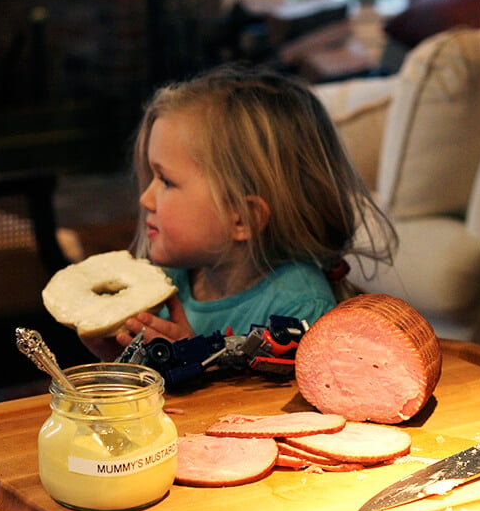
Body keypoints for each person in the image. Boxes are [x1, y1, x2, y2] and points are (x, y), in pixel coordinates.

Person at [84, 64, 396, 361]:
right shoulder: (169, 281)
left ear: (241, 218)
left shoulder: (295, 309)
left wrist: (190, 361)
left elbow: (269, 413)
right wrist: (120, 359)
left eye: (166, 180)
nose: (145, 199)